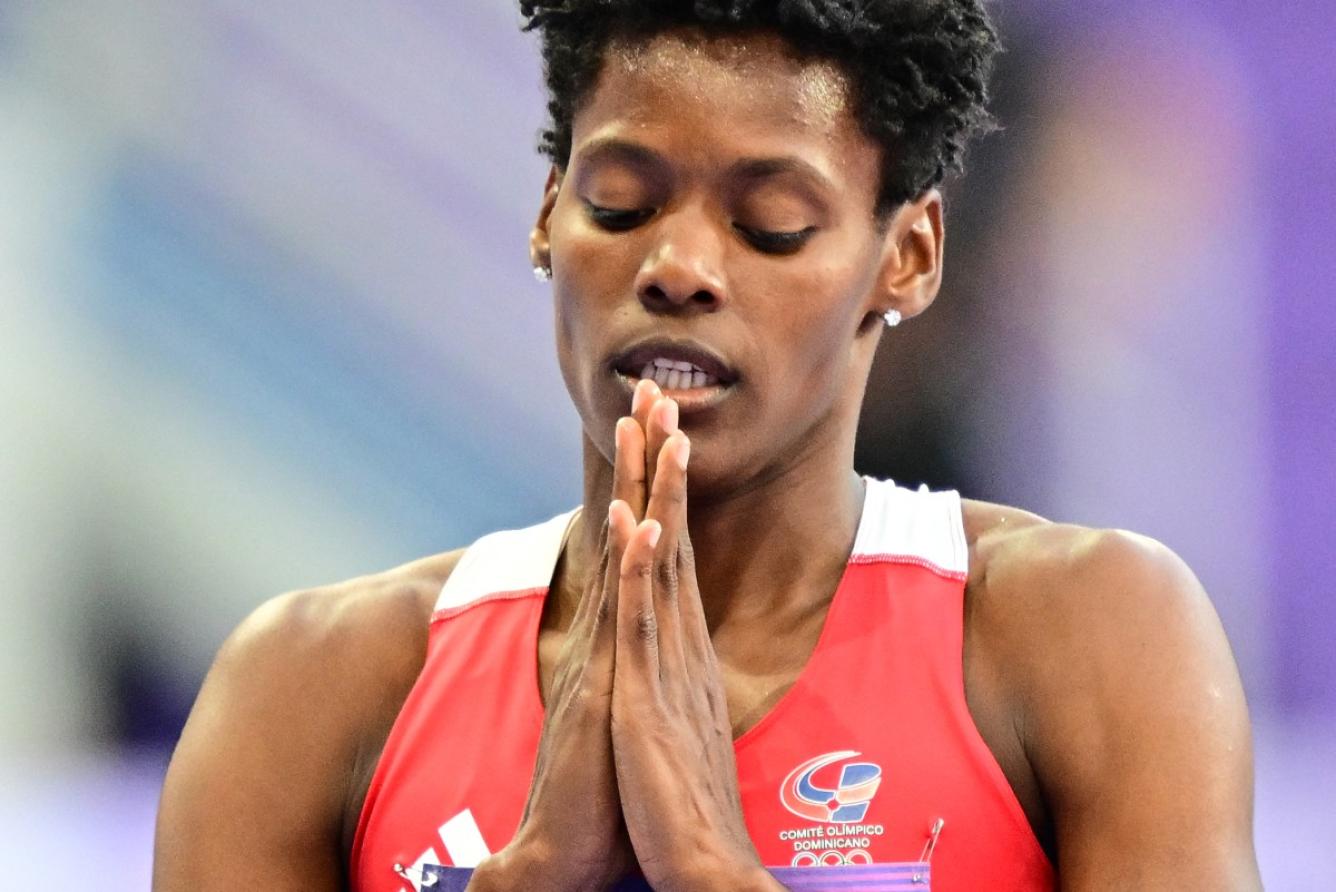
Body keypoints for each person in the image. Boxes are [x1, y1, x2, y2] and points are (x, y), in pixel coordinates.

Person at [153, 1, 1262, 889]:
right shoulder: (310, 689)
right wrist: (534, 878)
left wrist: (717, 873)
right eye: (622, 203)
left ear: (909, 254)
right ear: (547, 215)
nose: (676, 265)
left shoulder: (1087, 642)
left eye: (768, 220)